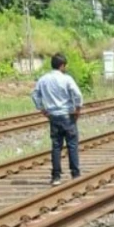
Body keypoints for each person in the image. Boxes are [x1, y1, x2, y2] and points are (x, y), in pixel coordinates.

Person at [31, 53, 83, 186]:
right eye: (65, 66)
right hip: (67, 116)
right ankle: (75, 174)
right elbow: (77, 94)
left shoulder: (43, 79)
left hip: (53, 117)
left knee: (56, 146)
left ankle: (56, 177)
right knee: (72, 144)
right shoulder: (67, 79)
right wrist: (77, 109)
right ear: (62, 65)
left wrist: (42, 109)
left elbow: (35, 95)